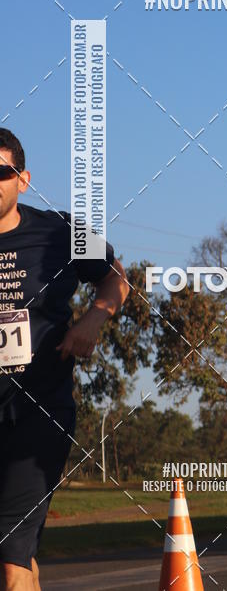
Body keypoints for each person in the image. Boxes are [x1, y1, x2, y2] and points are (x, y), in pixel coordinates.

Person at [0, 129, 128, 591]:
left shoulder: (62, 232)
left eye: (1, 172)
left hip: (39, 410)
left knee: (11, 560)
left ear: (23, 179)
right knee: (16, 556)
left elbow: (115, 277)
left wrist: (93, 320)